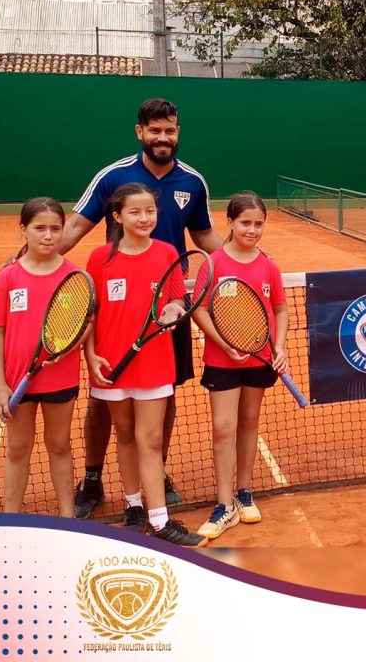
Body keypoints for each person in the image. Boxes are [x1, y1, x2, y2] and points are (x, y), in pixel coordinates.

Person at [61, 98, 223, 519]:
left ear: (178, 131)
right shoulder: (113, 176)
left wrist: (242, 264)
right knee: (102, 400)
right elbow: (74, 228)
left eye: (170, 130)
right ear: (140, 132)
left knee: (165, 396)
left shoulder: (193, 182)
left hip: (170, 306)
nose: (163, 138)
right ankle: (93, 478)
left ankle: (157, 471)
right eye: (155, 131)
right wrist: (28, 263)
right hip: (117, 306)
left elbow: (205, 237)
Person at [84, 182, 205, 546]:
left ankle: (159, 520)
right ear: (117, 216)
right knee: (124, 435)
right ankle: (133, 506)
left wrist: (174, 309)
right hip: (112, 364)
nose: (144, 218)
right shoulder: (99, 258)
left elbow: (177, 299)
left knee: (150, 439)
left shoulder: (167, 252)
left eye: (150, 211)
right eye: (135, 212)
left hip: (154, 361)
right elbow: (90, 314)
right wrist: (90, 355)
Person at [192, 192, 290, 539]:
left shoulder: (268, 265)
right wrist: (223, 343)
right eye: (245, 222)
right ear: (230, 222)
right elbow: (200, 308)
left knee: (249, 421)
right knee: (223, 428)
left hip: (259, 358)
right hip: (222, 360)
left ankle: (244, 492)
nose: (252, 229)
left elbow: (280, 309)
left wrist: (279, 347)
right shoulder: (213, 264)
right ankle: (224, 505)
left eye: (258, 224)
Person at [0, 199, 83, 516]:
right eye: (39, 228)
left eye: (55, 228)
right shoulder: (7, 277)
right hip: (18, 379)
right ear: (24, 229)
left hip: (60, 377)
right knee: (17, 447)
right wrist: (0, 385)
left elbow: (85, 326)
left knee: (59, 444)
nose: (48, 235)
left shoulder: (74, 276)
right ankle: (11, 518)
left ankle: (68, 517)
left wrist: (68, 346)